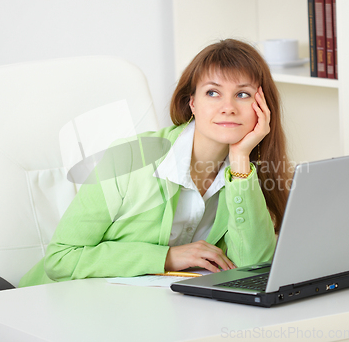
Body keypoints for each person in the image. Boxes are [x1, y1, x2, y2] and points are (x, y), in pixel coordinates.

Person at [19, 39, 291, 287]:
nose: (228, 107)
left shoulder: (248, 175)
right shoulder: (128, 159)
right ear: (192, 103)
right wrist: (167, 258)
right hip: (56, 303)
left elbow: (252, 266)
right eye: (212, 93)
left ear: (262, 105)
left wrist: (241, 159)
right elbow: (61, 259)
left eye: (242, 94)